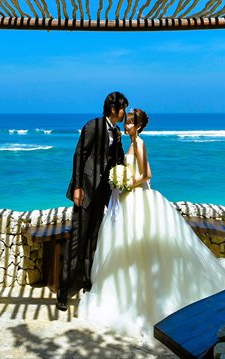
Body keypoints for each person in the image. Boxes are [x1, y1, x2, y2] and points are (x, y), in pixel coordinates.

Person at [79, 108, 225, 343]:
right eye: (126, 122)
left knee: (142, 247)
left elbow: (147, 174)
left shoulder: (140, 144)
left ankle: (150, 296)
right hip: (127, 200)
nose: (126, 126)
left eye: (130, 123)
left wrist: (126, 183)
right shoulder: (130, 144)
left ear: (139, 126)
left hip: (139, 198)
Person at [57, 91, 129, 311]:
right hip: (86, 191)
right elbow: (79, 156)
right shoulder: (92, 126)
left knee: (93, 241)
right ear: (113, 109)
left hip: (102, 194)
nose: (125, 112)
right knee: (77, 241)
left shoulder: (116, 132)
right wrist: (77, 187)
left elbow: (118, 158)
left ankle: (88, 284)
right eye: (123, 108)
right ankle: (63, 291)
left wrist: (125, 175)